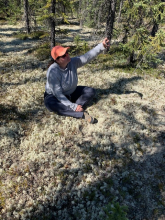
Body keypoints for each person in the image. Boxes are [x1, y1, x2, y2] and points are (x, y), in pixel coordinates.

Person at [44, 38, 110, 123]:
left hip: (71, 92)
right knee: (51, 105)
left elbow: (87, 56)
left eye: (67, 52)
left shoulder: (72, 62)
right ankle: (81, 113)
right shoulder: (53, 71)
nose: (67, 55)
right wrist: (73, 106)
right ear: (57, 60)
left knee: (90, 91)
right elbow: (58, 94)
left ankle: (76, 107)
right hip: (54, 96)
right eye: (64, 55)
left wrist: (102, 46)